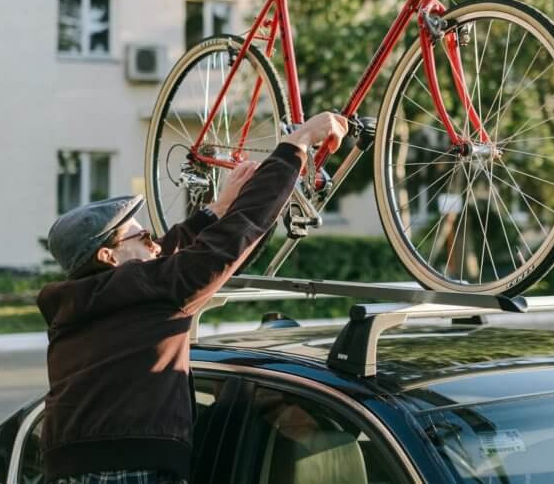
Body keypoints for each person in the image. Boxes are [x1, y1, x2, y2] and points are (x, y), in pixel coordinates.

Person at [37, 112, 349, 484]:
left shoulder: (84, 303)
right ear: (109, 256)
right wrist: (296, 144)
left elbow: (167, 259)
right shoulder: (143, 289)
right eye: (144, 238)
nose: (157, 243)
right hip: (126, 473)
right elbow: (232, 238)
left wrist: (215, 210)